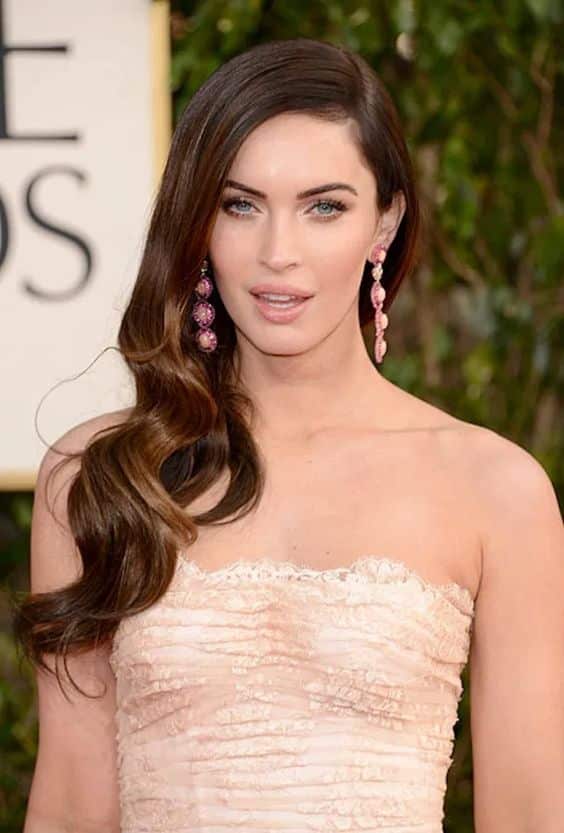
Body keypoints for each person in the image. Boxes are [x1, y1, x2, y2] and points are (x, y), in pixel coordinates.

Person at [15, 37, 564, 833]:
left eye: (325, 207)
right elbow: (69, 807)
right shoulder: (99, 476)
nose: (279, 254)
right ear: (199, 222)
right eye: (241, 205)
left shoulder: (495, 489)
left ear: (386, 223)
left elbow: (527, 816)